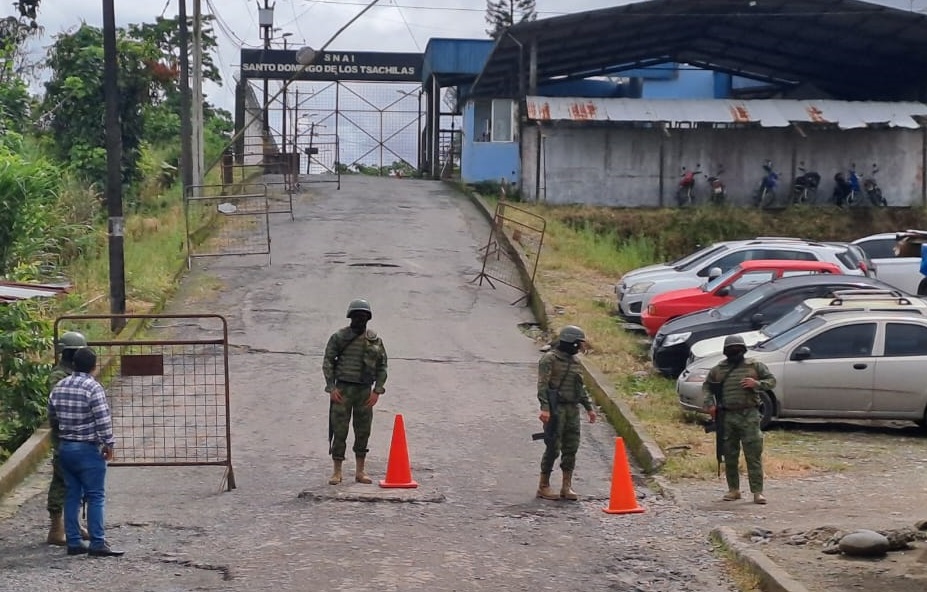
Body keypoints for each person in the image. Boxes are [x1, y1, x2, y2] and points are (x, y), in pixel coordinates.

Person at [48, 347, 123, 557]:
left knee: (72, 494)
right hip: (88, 448)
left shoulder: (59, 386)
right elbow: (102, 418)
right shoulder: (93, 387)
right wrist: (109, 444)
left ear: (73, 364)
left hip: (66, 447)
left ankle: (73, 541)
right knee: (95, 495)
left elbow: (52, 415)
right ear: (93, 366)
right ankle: (97, 542)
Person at [702, 334, 777, 505]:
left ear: (743, 350)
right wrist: (709, 404)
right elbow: (707, 386)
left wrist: (756, 384)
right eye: (731, 349)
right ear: (725, 351)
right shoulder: (718, 369)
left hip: (749, 414)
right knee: (729, 454)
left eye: (737, 349)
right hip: (727, 416)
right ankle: (733, 490)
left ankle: (757, 492)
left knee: (753, 454)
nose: (734, 352)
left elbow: (772, 381)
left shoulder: (755, 366)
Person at [322, 299, 388, 485]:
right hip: (343, 389)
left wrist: (377, 390)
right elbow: (328, 361)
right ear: (350, 317)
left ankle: (360, 471)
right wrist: (331, 387)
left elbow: (382, 366)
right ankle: (337, 471)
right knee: (339, 430)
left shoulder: (373, 340)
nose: (360, 319)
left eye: (363, 316)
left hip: (364, 391)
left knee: (363, 431)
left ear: (368, 318)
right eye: (356, 316)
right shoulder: (339, 337)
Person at [536, 325, 597, 501]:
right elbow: (543, 385)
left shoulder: (575, 362)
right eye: (578, 343)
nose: (580, 347)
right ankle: (544, 485)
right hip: (556, 409)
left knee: (571, 447)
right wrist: (545, 408)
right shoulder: (550, 359)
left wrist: (589, 408)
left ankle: (566, 486)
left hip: (572, 409)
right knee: (553, 447)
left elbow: (580, 388)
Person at [46, 331, 90, 546]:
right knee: (62, 482)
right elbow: (58, 409)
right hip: (65, 437)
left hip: (73, 435)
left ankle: (73, 524)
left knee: (76, 481)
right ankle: (57, 528)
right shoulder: (59, 377)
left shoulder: (70, 374)